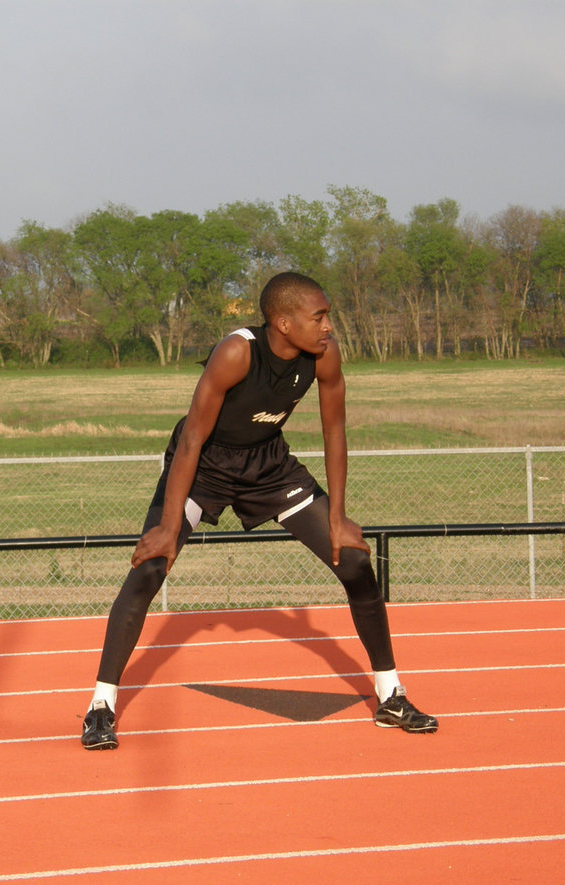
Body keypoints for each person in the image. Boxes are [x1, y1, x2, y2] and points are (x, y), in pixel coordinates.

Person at [81, 272, 437, 750]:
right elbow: (191, 438)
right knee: (149, 570)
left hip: (268, 467)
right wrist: (168, 528)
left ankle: (391, 696)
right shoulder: (237, 353)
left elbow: (335, 431)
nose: (329, 325)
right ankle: (100, 706)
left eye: (328, 315)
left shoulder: (324, 357)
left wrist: (337, 516)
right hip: (205, 465)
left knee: (353, 561)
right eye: (319, 316)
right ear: (284, 323)